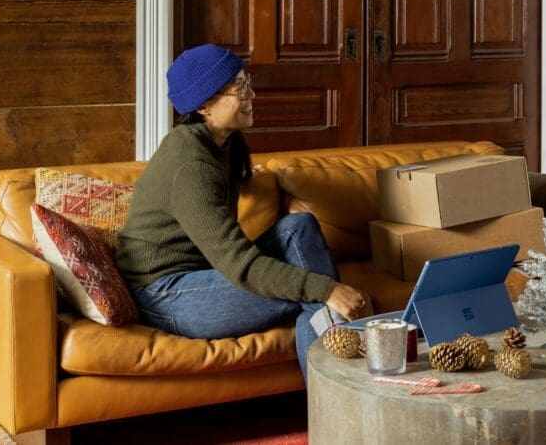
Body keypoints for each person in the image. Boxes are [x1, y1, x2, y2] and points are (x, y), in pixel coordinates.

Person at [115, 43, 370, 378]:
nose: (252, 95)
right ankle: (337, 409)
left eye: (248, 83)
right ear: (205, 104)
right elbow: (238, 264)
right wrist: (329, 290)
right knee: (316, 296)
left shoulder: (226, 144)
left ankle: (338, 393)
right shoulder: (189, 163)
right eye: (240, 88)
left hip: (202, 275)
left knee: (300, 225)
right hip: (167, 296)